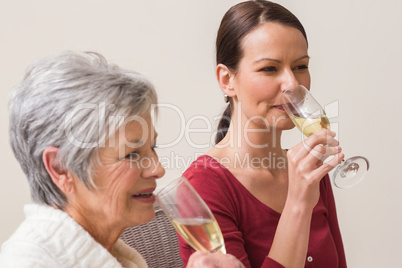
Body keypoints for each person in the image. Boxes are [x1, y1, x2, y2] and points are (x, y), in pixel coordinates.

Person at [0, 51, 244, 268]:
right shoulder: (27, 261)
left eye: (153, 147)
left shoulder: (123, 258)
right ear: (60, 167)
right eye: (131, 154)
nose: (158, 169)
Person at [178, 1, 347, 268]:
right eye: (269, 69)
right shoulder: (201, 188)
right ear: (226, 80)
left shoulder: (305, 169)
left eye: (301, 66)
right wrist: (298, 203)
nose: (292, 83)